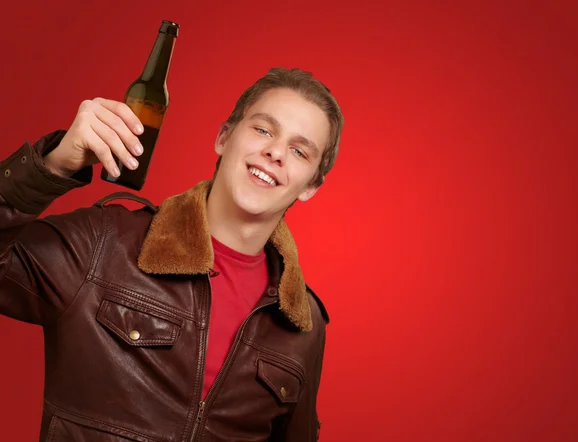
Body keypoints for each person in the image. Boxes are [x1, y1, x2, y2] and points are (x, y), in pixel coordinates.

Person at [0, 67, 344, 441]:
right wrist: (53, 165)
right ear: (223, 137)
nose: (275, 152)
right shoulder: (105, 243)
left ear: (311, 186)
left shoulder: (304, 323)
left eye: (298, 150)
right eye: (263, 129)